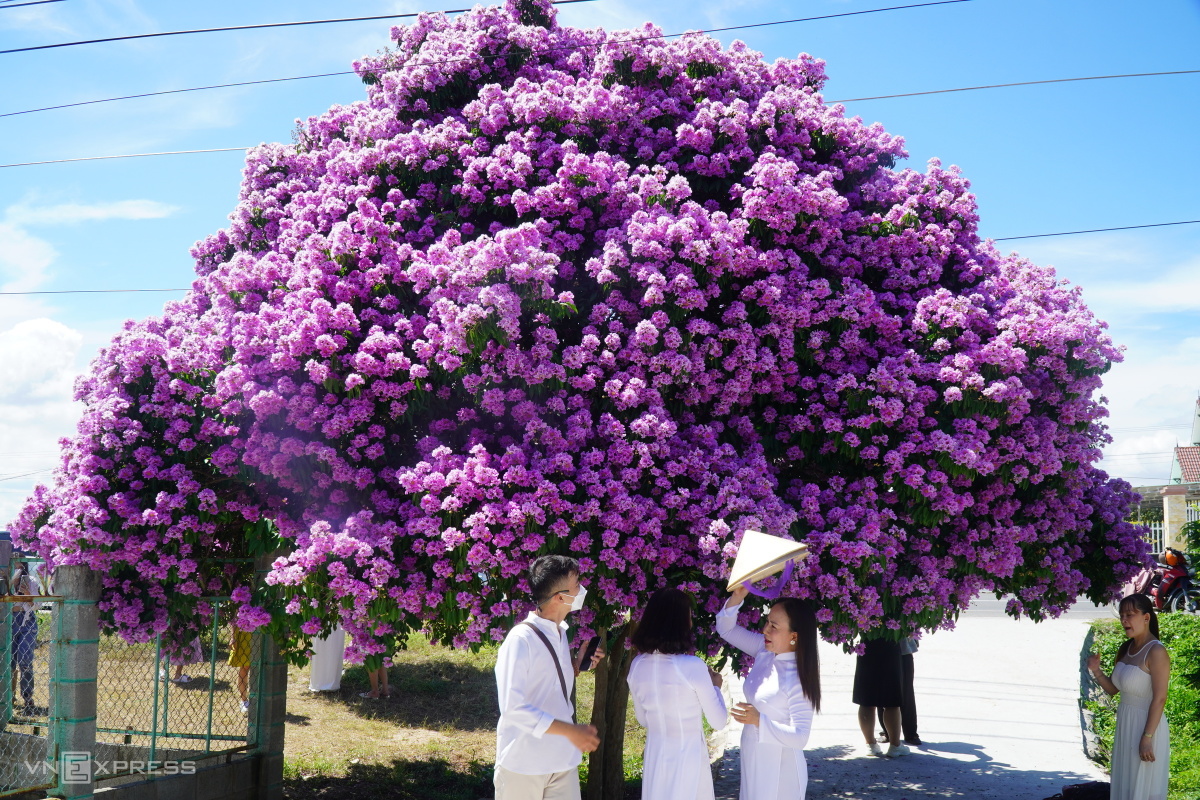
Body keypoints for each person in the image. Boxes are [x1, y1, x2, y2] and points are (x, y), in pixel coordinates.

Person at [494, 554, 603, 800]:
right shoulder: (520, 640)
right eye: (577, 585)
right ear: (560, 597)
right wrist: (571, 731)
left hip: (562, 761)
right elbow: (513, 708)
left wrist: (576, 665)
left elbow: (546, 686)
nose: (582, 590)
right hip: (524, 765)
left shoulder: (560, 633)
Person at [716, 584, 821, 800]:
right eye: (767, 622)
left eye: (774, 626)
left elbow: (801, 737)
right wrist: (737, 597)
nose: (765, 630)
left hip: (781, 767)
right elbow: (726, 629)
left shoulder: (797, 677)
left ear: (794, 636)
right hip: (753, 754)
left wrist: (759, 720)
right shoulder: (764, 650)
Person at [627, 588, 727, 800]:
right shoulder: (692, 666)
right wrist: (716, 687)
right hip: (688, 756)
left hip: (656, 756)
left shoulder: (637, 665)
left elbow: (643, 719)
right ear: (680, 622)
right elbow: (718, 721)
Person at [1087, 593, 1170, 800]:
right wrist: (1096, 671)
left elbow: (1160, 698)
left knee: (1142, 788)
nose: (1124, 620)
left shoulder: (1156, 651)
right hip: (1126, 723)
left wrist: (1147, 737)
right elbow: (1114, 689)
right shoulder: (1127, 648)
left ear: (1146, 617)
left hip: (1147, 727)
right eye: (1122, 615)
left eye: (1130, 615)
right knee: (1125, 784)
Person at [854, 636, 908, 757]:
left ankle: (871, 745)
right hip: (890, 642)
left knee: (867, 700)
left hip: (867, 643)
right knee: (891, 701)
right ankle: (895, 746)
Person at [877, 636, 920, 746]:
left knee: (906, 692)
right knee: (882, 690)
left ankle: (911, 733)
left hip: (903, 651)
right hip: (880, 649)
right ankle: (886, 732)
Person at [9, 558, 37, 714]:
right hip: (8, 621)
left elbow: (37, 605)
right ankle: (8, 696)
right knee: (9, 662)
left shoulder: (30, 581)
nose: (16, 565)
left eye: (19, 561)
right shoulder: (4, 580)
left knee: (25, 660)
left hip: (27, 621)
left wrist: (28, 595)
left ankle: (27, 697)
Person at [229, 627, 252, 714]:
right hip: (244, 631)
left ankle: (259, 700)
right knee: (245, 666)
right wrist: (233, 637)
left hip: (261, 630)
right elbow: (234, 620)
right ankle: (244, 701)